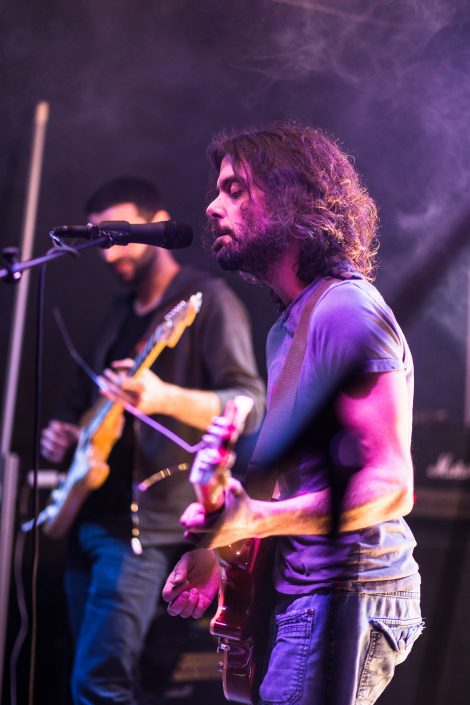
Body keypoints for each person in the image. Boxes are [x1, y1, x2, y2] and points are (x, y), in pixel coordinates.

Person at [162, 123, 424, 705]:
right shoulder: (292, 323)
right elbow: (293, 481)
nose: (212, 206)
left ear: (291, 196)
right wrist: (219, 548)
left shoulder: (346, 310)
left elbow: (391, 485)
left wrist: (254, 519)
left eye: (235, 189)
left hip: (348, 591)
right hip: (314, 593)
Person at [40, 176, 265, 705]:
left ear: (155, 226)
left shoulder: (207, 301)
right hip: (88, 515)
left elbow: (249, 403)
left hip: (145, 531)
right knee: (81, 678)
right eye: (100, 239)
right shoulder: (119, 314)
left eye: (118, 235)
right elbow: (85, 401)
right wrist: (65, 432)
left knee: (102, 685)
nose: (109, 251)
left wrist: (164, 398)